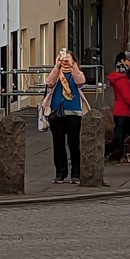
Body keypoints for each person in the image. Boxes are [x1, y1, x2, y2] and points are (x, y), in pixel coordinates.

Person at [42, 50, 89, 184]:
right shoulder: (57, 73)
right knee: (58, 144)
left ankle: (76, 174)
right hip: (56, 113)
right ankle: (60, 174)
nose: (65, 61)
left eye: (68, 59)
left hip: (73, 112)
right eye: (63, 59)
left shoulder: (76, 73)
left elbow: (80, 81)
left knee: (73, 144)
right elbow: (49, 82)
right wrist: (56, 66)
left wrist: (73, 66)